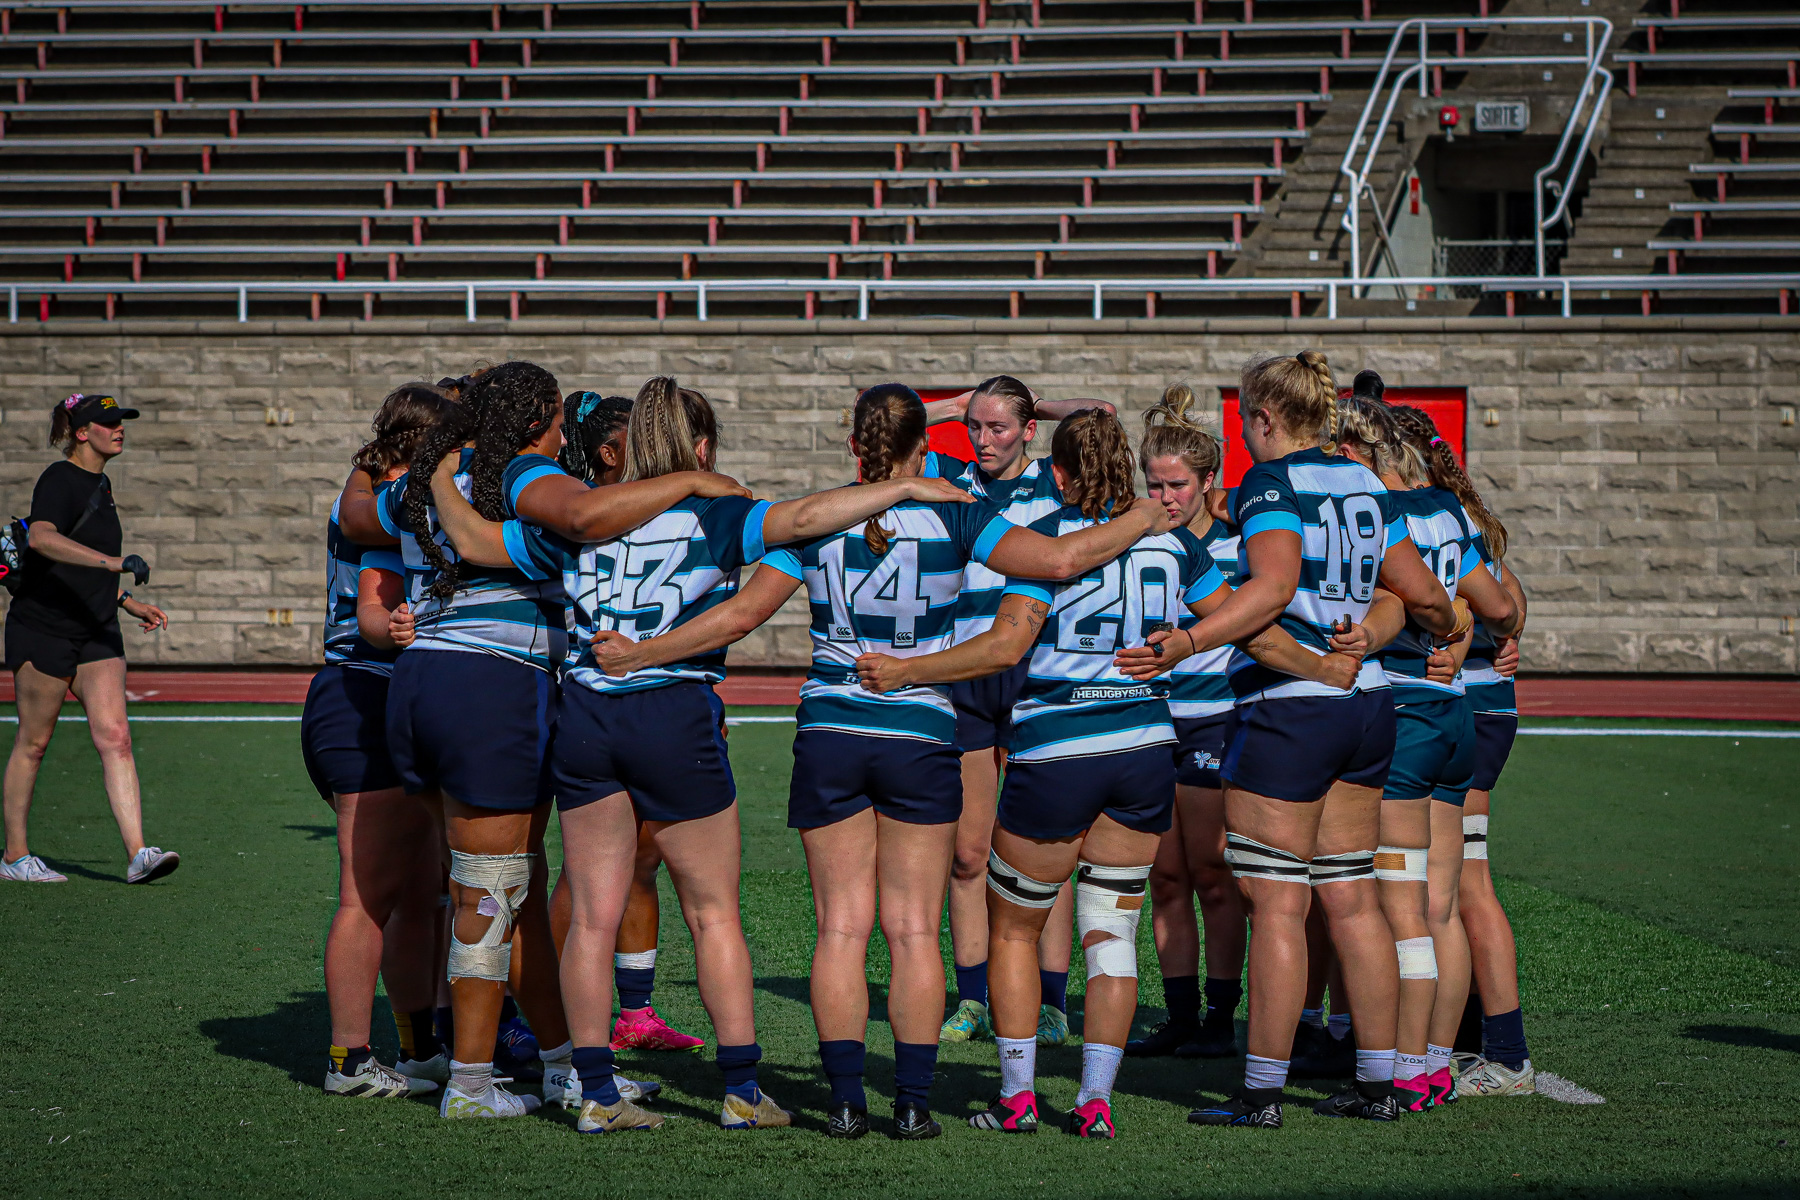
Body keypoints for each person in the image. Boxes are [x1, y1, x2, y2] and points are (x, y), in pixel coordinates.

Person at [431, 375, 977, 1134]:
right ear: (700, 446)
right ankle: (742, 1091)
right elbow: (810, 518)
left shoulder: (578, 521)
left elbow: (469, 540)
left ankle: (594, 1095)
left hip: (587, 712)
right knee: (714, 913)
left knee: (590, 917)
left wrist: (435, 476)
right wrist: (904, 489)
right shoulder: (717, 513)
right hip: (673, 710)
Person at [859, 408, 1357, 1139]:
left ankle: (1018, 1098)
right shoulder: (1175, 545)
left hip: (1057, 749)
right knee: (1111, 933)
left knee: (1013, 931)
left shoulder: (1046, 540)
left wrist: (908, 672)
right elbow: (1247, 626)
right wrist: (1322, 666)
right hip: (1145, 751)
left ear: (1056, 474)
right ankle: (1095, 1102)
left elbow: (1004, 646)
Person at [352, 361, 750, 1122]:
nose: (566, 432)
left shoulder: (419, 479)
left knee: (513, 892)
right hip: (491, 686)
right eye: (559, 419)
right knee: (491, 892)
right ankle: (470, 1080)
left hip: (423, 683)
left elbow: (363, 511)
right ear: (534, 417)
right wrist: (696, 482)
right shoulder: (519, 473)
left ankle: (565, 1064)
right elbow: (586, 520)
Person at [1117, 351, 1459, 1129]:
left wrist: (1188, 640)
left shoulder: (1272, 484)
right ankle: (1379, 1085)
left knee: (1275, 903)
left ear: (1264, 420)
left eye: (1245, 419)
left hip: (1291, 706)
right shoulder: (1365, 479)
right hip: (1368, 703)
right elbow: (1425, 596)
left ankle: (1261, 1091)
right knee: (1350, 898)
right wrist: (1438, 628)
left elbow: (1270, 589)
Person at [1336, 395, 1521, 1113]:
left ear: (1357, 454)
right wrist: (1478, 633)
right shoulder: (1445, 508)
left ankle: (1403, 1069)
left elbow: (1389, 607)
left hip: (1407, 708)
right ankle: (1435, 1067)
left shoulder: (1376, 513)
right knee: (1441, 906)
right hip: (1456, 718)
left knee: (1399, 909)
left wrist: (1438, 632)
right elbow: (1501, 604)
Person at [304, 382, 456, 1099]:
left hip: (393, 695)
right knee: (365, 894)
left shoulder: (385, 485)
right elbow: (374, 608)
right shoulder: (380, 496)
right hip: (360, 693)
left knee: (420, 892)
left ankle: (420, 1047)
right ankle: (347, 1057)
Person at [936, 374, 1094, 1048]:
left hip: (1035, 674)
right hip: (968, 674)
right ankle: (972, 999)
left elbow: (1098, 415)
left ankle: (1052, 1002)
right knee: (969, 853)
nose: (983, 439)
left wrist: (1029, 406)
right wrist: (960, 404)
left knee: (1040, 854)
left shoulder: (1057, 479)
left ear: (1030, 431)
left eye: (998, 428)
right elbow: (879, 421)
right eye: (975, 426)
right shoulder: (947, 477)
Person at [545, 391, 705, 1055]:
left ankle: (635, 1011)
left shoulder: (666, 510)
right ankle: (549, 1012)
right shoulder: (581, 516)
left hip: (664, 708)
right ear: (612, 453)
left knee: (643, 860)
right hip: (592, 706)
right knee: (583, 881)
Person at [1386, 405, 1537, 1099]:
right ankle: (1457, 1039)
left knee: (1456, 886)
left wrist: (1485, 637)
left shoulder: (1432, 513)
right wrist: (1506, 632)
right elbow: (1510, 602)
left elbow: (1500, 605)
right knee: (1441, 886)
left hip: (1459, 703)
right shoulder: (1460, 507)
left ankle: (1501, 1049)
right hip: (1475, 703)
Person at [1122, 384, 1247, 1061]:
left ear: (1207, 483)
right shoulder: (1134, 545)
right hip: (1148, 724)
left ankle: (1220, 1017)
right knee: (1162, 878)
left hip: (1212, 722)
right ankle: (1177, 1014)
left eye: (1178, 485)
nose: (1165, 497)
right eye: (1155, 483)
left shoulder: (1237, 547)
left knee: (1212, 873)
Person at [2, 393, 173, 886]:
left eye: (122, 422)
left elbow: (80, 565)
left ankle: (139, 853)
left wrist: (126, 602)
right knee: (34, 743)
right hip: (45, 626)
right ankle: (14, 856)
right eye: (109, 422)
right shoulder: (59, 479)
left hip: (97, 626)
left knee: (116, 738)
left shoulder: (103, 483)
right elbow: (42, 538)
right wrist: (116, 563)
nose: (119, 428)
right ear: (82, 432)